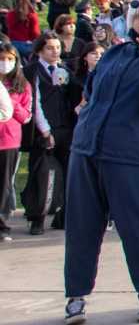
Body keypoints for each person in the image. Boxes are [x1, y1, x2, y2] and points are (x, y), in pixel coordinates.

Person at [62, 0, 139, 324]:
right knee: (82, 227)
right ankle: (75, 296)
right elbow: (92, 89)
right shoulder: (115, 53)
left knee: (135, 228)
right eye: (137, 18)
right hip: (88, 149)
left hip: (133, 156)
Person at [21, 32, 74, 235]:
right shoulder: (32, 71)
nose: (55, 52)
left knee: (67, 173)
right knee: (40, 174)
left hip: (65, 128)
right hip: (43, 130)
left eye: (57, 47)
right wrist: (45, 131)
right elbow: (35, 104)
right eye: (50, 48)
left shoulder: (64, 69)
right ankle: (37, 218)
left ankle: (61, 215)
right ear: (40, 50)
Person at [0, 43, 31, 242]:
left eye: (9, 59)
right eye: (2, 59)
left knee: (4, 184)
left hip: (8, 140)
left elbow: (26, 116)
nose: (5, 63)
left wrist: (8, 101)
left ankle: (2, 223)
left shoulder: (22, 85)